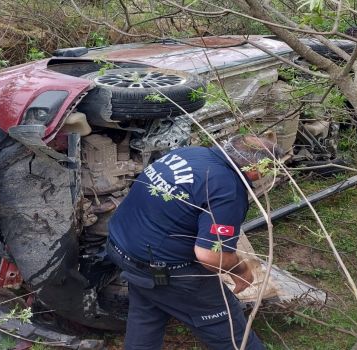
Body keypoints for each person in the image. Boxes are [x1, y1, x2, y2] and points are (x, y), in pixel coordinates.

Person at [107, 134, 281, 349]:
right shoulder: (227, 189)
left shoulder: (188, 153)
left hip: (123, 248)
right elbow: (210, 256)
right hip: (166, 270)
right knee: (230, 333)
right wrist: (240, 270)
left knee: (147, 313)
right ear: (256, 169)